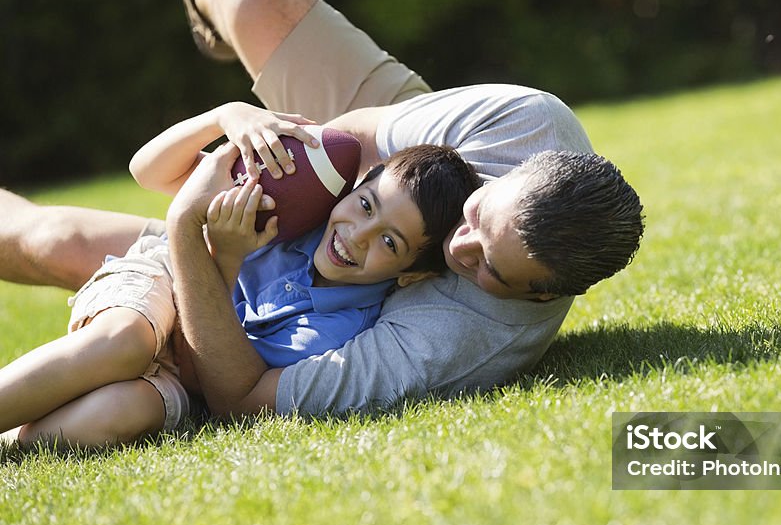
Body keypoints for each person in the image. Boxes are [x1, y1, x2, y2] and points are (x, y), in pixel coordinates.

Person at [0, 0, 644, 419]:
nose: (459, 248)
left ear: (536, 296)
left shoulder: (458, 341)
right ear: (511, 175)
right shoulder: (524, 127)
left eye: (491, 270)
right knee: (255, 3)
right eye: (478, 218)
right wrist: (260, 174)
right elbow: (360, 137)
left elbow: (245, 396)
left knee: (51, 239)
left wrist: (201, 241)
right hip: (401, 174)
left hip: (314, 282)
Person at [0, 111, 480, 446]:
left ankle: (11, 441)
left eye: (389, 243)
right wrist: (226, 116)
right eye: (366, 205)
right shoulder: (302, 205)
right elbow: (148, 171)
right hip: (161, 280)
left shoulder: (337, 331)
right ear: (361, 184)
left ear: (412, 274)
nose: (357, 235)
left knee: (123, 412)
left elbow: (206, 366)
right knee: (124, 341)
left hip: (185, 371)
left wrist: (226, 263)